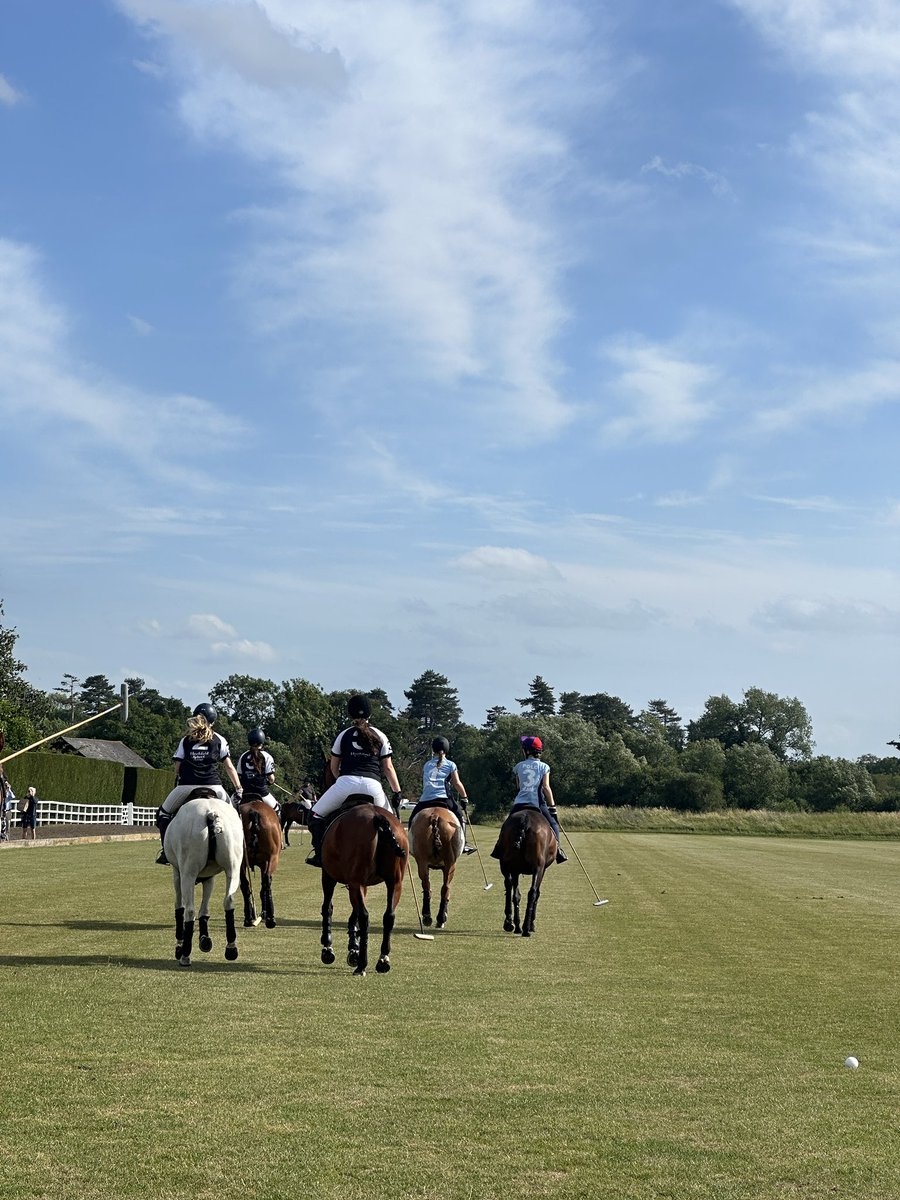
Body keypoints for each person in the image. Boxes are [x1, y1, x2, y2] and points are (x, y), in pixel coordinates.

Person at [305, 695, 402, 867]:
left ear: (351, 715)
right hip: (374, 787)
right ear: (369, 714)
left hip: (346, 784)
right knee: (392, 822)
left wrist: (340, 783)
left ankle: (320, 854)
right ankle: (393, 856)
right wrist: (397, 792)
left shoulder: (343, 735)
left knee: (315, 814)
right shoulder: (380, 735)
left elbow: (334, 767)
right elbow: (388, 768)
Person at [154, 703, 241, 864]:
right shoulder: (219, 739)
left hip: (186, 786)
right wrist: (238, 788)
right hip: (214, 786)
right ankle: (239, 849)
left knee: (163, 814)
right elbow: (229, 766)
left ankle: (166, 852)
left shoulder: (185, 740)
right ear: (212, 722)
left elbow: (178, 767)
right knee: (234, 814)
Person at [492, 736, 567, 864]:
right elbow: (546, 787)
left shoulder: (518, 766)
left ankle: (499, 847)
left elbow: (518, 786)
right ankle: (558, 851)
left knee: (507, 824)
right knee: (553, 824)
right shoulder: (544, 767)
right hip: (538, 803)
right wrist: (552, 807)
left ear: (526, 751)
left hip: (520, 803)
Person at [407, 736, 476, 854]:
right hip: (444, 798)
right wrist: (464, 797)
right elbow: (457, 783)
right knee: (460, 818)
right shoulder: (450, 764)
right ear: (447, 749)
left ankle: (410, 844)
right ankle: (464, 844)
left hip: (426, 799)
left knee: (412, 819)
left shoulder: (427, 765)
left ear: (434, 750)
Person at [236, 728, 279, 812]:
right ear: (262, 742)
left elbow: (239, 776)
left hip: (245, 792)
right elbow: (271, 778)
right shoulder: (267, 756)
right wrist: (270, 782)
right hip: (262, 793)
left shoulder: (243, 756)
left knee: (231, 809)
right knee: (277, 809)